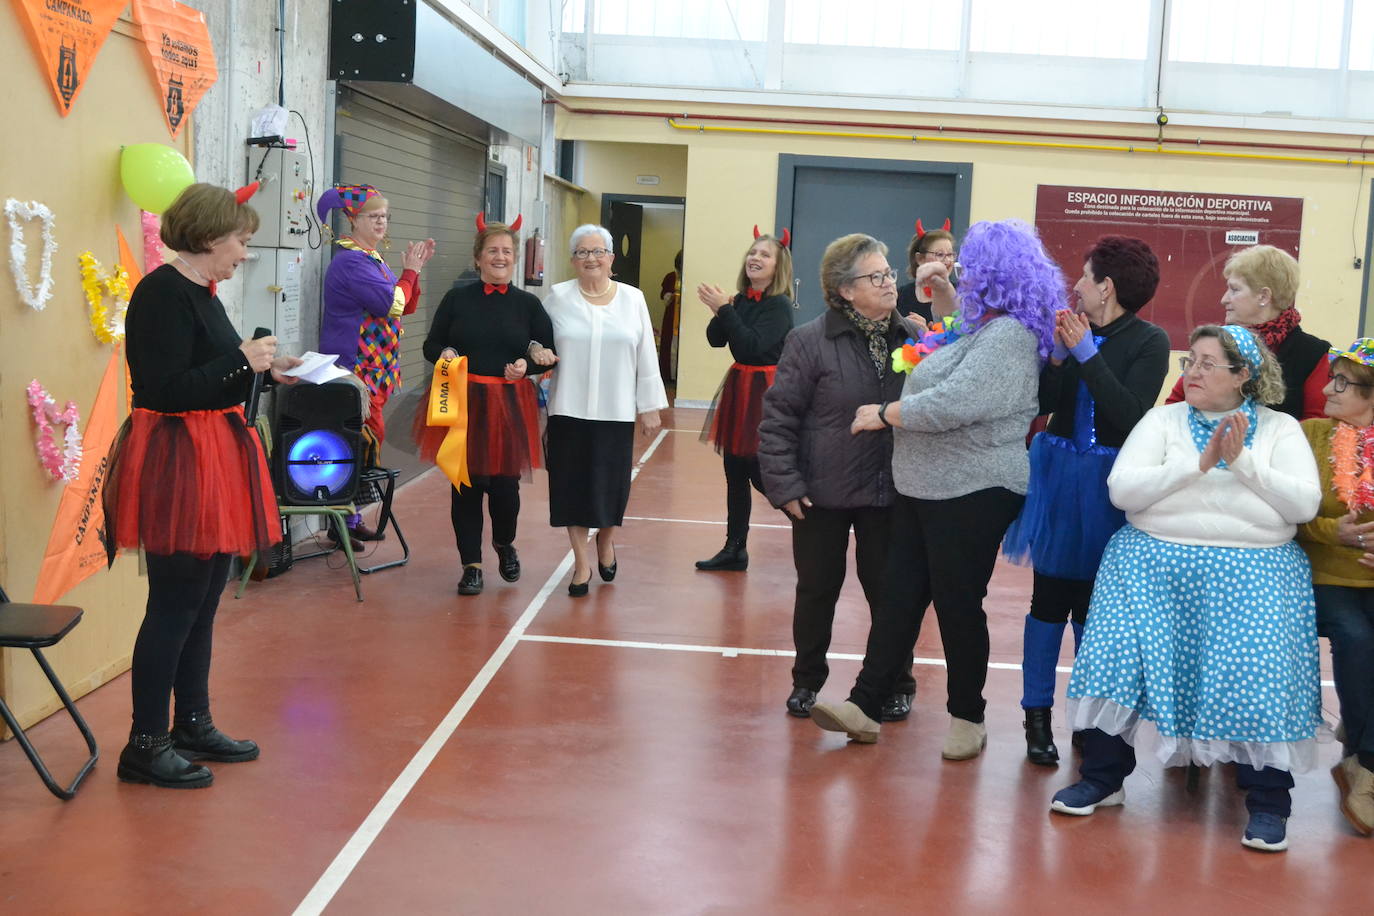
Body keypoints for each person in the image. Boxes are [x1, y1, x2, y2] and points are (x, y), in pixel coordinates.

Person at [1053, 325, 1321, 854]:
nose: (1192, 373)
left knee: (1252, 672)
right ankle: (1104, 778)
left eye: (1206, 363)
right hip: (1150, 565)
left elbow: (1301, 506)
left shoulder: (1280, 429)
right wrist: (1196, 465)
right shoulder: (1163, 420)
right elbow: (1124, 490)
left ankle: (1269, 802)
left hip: (1254, 573)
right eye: (1190, 362)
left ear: (1243, 375)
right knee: (1117, 659)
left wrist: (1241, 463)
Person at [807, 219, 1060, 755]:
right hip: (924, 489)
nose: (961, 272)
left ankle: (968, 717)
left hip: (973, 490)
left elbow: (957, 401)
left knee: (957, 603)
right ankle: (865, 704)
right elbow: (954, 348)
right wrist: (945, 300)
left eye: (970, 266)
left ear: (995, 273)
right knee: (899, 599)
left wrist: (886, 412)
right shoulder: (984, 326)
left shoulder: (1011, 335)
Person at [103, 183, 303, 788]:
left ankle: (191, 721)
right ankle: (145, 742)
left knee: (204, 596)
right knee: (174, 604)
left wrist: (268, 367)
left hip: (210, 456)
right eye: (241, 239)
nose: (245, 252)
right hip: (179, 462)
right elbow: (163, 390)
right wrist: (242, 359)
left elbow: (210, 378)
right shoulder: (162, 293)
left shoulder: (202, 293)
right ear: (210, 236)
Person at [1001, 237, 1170, 765]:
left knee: (1097, 609)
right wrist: (1054, 359)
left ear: (1107, 287)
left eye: (1084, 275)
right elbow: (1043, 404)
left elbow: (1128, 415)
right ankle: (1035, 717)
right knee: (1048, 599)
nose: (1076, 285)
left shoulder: (1150, 341)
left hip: (1108, 486)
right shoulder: (1075, 329)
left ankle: (1090, 717)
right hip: (1057, 476)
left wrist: (1086, 355)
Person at [758, 233, 920, 721]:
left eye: (889, 274)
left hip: (889, 491)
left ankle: (897, 679)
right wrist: (784, 486)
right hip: (821, 493)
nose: (891, 283)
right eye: (877, 276)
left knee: (892, 594)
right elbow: (779, 417)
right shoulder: (809, 340)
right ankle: (807, 680)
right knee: (816, 591)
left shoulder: (913, 339)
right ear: (845, 290)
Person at [419, 215, 557, 597]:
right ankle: (471, 565)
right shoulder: (456, 299)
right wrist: (444, 352)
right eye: (493, 250)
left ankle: (504, 542)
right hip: (462, 400)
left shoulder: (528, 304)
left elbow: (548, 351)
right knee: (465, 485)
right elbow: (431, 345)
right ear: (478, 258)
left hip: (509, 404)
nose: (501, 257)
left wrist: (527, 365)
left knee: (505, 488)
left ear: (515, 260)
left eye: (507, 252)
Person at [544, 225, 669, 596]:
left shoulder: (633, 299)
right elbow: (535, 341)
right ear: (572, 260)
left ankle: (606, 541)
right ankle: (581, 564)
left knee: (612, 487)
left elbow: (646, 352)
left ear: (612, 259)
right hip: (567, 409)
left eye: (598, 251)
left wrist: (649, 406)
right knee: (570, 486)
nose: (591, 259)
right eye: (582, 252)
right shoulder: (557, 297)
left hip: (615, 411)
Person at [1295, 338, 1374, 837]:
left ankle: (1362, 758)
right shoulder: (1310, 436)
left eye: (1343, 383)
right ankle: (1364, 765)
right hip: (1323, 573)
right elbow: (1289, 516)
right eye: (1332, 377)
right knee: (1357, 635)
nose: (1328, 388)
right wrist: (1333, 531)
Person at [695, 231, 795, 571]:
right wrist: (721, 309)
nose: (755, 257)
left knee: (760, 471)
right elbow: (715, 340)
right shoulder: (741, 300)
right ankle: (734, 547)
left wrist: (725, 309)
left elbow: (752, 346)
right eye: (753, 252)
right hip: (740, 387)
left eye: (765, 255)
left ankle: (810, 525)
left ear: (778, 266)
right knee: (734, 470)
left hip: (764, 391)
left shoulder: (779, 304)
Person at [1164, 244, 1328, 420]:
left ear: (1264, 296)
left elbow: (1315, 428)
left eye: (1234, 289)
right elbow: (1174, 407)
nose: (1223, 299)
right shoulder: (1215, 343)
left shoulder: (1313, 353)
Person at [895, 219, 955, 324]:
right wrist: (915, 331)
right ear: (920, 259)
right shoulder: (901, 296)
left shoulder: (963, 293)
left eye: (950, 254)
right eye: (940, 254)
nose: (948, 261)